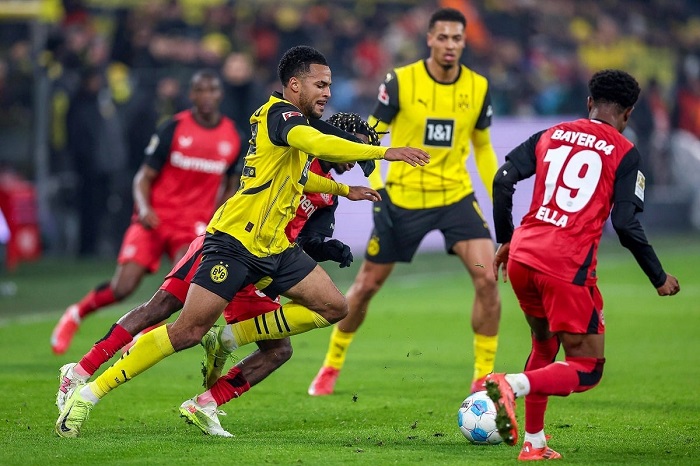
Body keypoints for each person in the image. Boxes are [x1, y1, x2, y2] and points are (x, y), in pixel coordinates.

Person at [55, 45, 429, 438]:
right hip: (234, 241)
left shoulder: (298, 128)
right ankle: (88, 391)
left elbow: (299, 177)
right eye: (320, 85)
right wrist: (386, 152)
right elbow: (319, 144)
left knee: (334, 307)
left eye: (329, 86)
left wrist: (344, 190)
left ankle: (226, 345)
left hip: (274, 248)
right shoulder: (279, 115)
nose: (328, 93)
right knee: (183, 328)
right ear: (294, 84)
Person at [54, 112, 378, 420]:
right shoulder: (294, 151)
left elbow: (306, 240)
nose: (354, 159)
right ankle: (80, 372)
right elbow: (291, 171)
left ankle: (207, 400)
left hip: (267, 264)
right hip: (228, 243)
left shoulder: (327, 198)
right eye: (354, 147)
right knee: (164, 307)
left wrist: (326, 247)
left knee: (278, 350)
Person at [484, 69, 680, 460]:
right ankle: (510, 384)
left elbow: (503, 179)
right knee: (588, 367)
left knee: (544, 345)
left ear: (589, 103)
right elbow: (625, 224)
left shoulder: (551, 134)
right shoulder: (625, 152)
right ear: (628, 113)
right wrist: (658, 276)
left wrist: (506, 238)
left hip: (523, 254)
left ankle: (534, 443)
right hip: (565, 264)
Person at [309, 7, 501, 397]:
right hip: (404, 198)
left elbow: (482, 145)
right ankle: (331, 363)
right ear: (429, 39)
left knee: (487, 277)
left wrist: (498, 196)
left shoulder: (478, 86)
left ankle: (483, 375)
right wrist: (379, 190)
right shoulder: (400, 81)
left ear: (464, 42)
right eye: (442, 37)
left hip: (455, 197)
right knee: (366, 286)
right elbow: (372, 137)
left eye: (457, 38)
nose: (450, 45)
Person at [50, 69, 243, 355]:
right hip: (155, 218)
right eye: (200, 90)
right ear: (191, 95)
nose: (206, 96)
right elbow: (143, 176)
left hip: (192, 226)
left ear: (220, 94)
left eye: (212, 90)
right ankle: (76, 314)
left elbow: (232, 185)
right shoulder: (173, 128)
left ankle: (140, 337)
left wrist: (216, 218)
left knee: (183, 289)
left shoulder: (233, 137)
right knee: (123, 287)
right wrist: (144, 207)